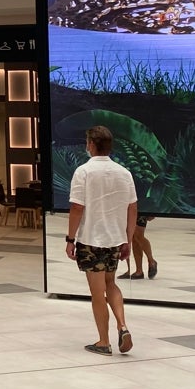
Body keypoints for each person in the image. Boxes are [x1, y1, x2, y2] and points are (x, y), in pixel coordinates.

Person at [65, 125, 137, 356]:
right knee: (111, 283)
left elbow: (77, 207)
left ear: (91, 145)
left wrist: (70, 238)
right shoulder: (124, 173)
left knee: (97, 293)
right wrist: (128, 239)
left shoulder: (83, 171)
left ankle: (103, 341)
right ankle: (122, 325)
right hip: (115, 238)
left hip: (90, 239)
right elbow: (132, 207)